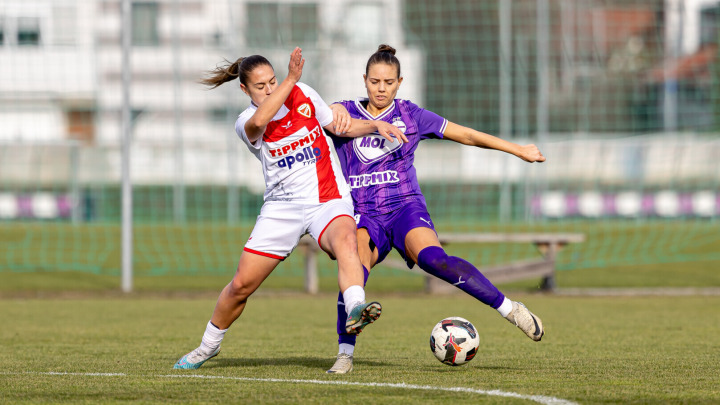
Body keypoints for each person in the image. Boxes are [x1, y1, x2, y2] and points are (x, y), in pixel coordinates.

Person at [173, 47, 408, 370]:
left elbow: (339, 126)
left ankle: (356, 308)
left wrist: (373, 126)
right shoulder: (245, 121)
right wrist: (290, 79)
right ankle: (207, 347)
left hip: (327, 198)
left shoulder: (304, 94)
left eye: (273, 81)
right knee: (241, 286)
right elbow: (260, 120)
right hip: (282, 208)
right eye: (260, 86)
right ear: (244, 89)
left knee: (346, 241)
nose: (270, 89)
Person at [324, 44, 547, 374]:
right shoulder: (345, 111)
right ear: (364, 80)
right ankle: (345, 354)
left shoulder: (411, 115)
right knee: (353, 269)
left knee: (434, 260)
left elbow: (466, 135)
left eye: (388, 82)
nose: (381, 88)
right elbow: (316, 114)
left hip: (404, 207)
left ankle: (511, 309)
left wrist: (517, 149)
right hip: (365, 214)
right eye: (374, 81)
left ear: (400, 83)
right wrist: (328, 109)